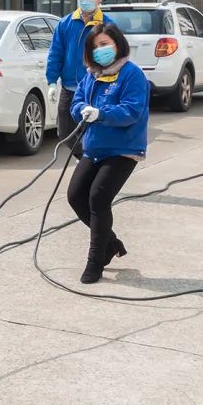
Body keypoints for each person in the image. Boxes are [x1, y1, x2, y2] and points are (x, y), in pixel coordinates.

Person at [67, 23, 150, 285]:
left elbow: (132, 111)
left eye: (105, 44)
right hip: (94, 147)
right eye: (95, 46)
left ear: (117, 44)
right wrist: (81, 110)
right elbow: (77, 101)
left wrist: (102, 113)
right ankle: (111, 243)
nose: (100, 50)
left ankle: (95, 262)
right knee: (75, 196)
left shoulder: (131, 74)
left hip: (124, 149)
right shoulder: (91, 75)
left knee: (98, 198)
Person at [46, 0, 115, 150]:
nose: (86, 0)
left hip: (95, 89)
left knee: (92, 132)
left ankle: (89, 163)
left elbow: (116, 57)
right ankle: (86, 160)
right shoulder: (65, 24)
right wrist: (52, 82)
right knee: (65, 134)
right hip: (69, 89)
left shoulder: (107, 25)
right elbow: (55, 54)